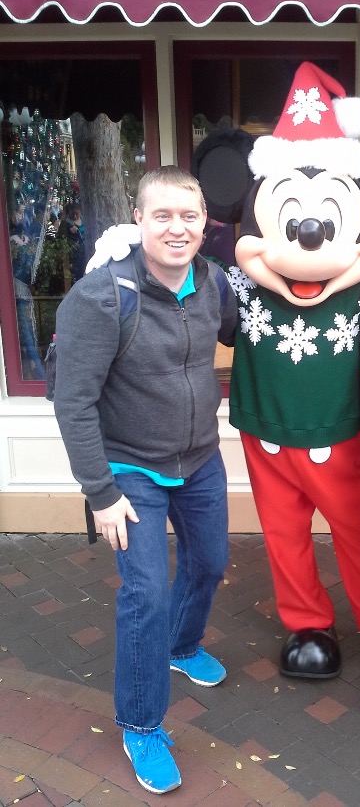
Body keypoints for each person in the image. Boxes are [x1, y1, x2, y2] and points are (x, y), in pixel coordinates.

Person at [53, 166, 238, 794]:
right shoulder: (101, 297)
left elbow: (255, 328)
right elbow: (72, 402)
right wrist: (100, 493)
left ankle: (181, 647)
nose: (177, 228)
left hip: (199, 459)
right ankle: (140, 725)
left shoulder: (212, 283)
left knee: (211, 560)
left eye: (189, 216)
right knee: (145, 596)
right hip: (129, 467)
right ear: (139, 220)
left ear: (205, 223)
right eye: (162, 215)